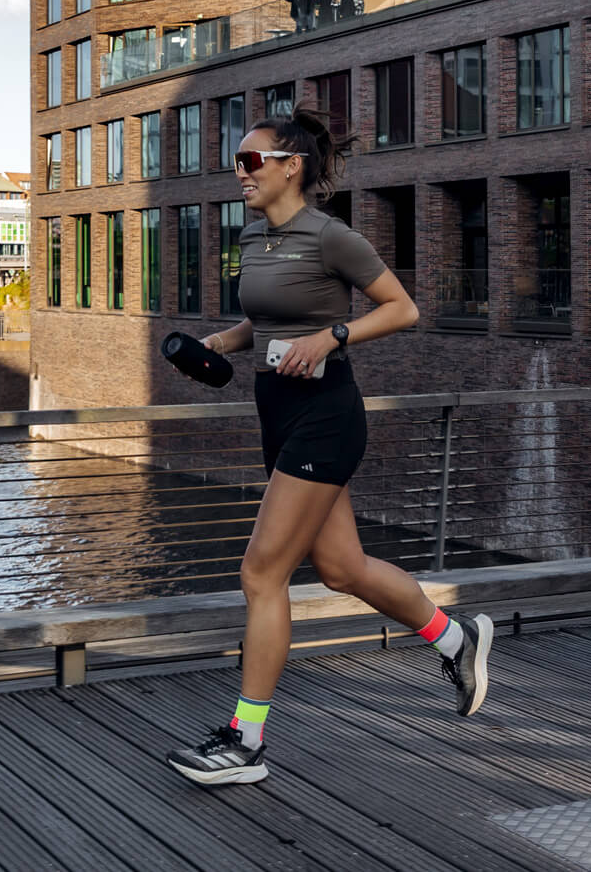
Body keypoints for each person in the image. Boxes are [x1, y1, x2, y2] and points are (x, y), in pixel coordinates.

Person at [166, 109, 494, 787]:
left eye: (250, 161)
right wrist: (220, 342)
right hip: (277, 410)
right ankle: (455, 638)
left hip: (326, 413)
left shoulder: (331, 235)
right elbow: (266, 318)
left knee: (262, 573)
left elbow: (402, 307)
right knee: (342, 568)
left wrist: (332, 336)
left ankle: (245, 741)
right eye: (236, 162)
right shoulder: (254, 235)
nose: (239, 173)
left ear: (292, 166)